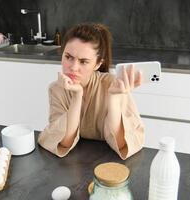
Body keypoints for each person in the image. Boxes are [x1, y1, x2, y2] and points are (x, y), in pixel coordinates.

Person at [37, 23, 145, 160]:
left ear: (98, 64)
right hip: (74, 163)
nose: (73, 67)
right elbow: (64, 142)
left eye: (83, 61)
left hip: (109, 161)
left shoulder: (113, 85)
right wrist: (77, 96)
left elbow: (121, 143)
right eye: (68, 57)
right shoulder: (56, 88)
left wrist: (113, 98)